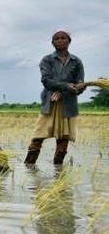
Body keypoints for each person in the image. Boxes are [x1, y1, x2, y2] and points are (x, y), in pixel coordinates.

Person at [24, 30, 87, 166]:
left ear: (69, 41)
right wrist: (65, 86)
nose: (60, 40)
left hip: (68, 105)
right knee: (38, 137)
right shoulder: (47, 60)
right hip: (49, 102)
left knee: (63, 140)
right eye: (56, 38)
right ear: (52, 43)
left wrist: (70, 90)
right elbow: (46, 81)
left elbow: (80, 85)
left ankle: (58, 172)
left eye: (63, 38)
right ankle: (29, 167)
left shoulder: (76, 62)